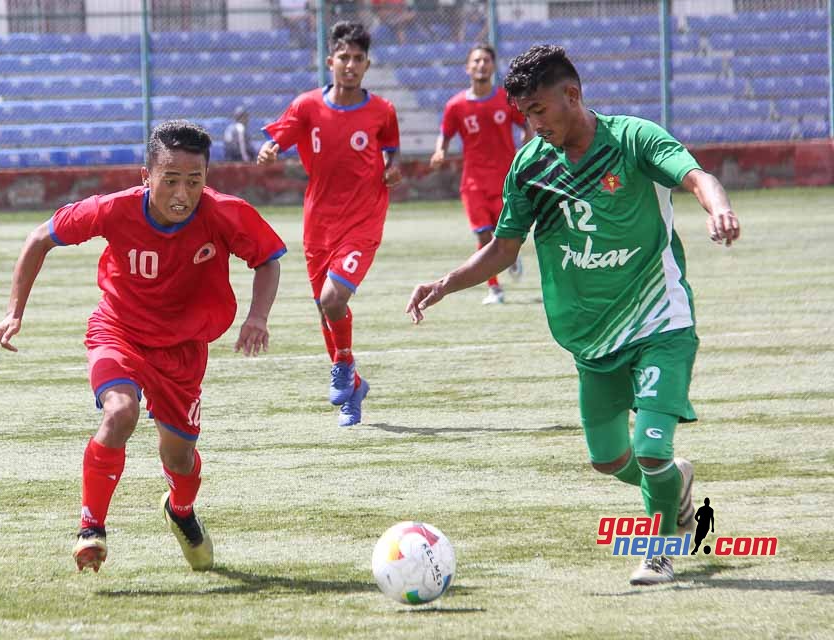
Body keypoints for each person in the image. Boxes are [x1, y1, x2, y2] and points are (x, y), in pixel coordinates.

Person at [406, 45, 741, 585]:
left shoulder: (634, 139)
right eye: (525, 115)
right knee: (609, 460)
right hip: (591, 337)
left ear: (572, 95)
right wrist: (447, 283)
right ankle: (673, 484)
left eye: (539, 110)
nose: (533, 124)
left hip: (660, 320)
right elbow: (503, 248)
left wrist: (719, 207)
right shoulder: (532, 166)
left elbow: (696, 176)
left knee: (652, 447)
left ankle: (659, 549)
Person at [0, 120, 286, 574]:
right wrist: (14, 311)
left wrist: (257, 317)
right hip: (118, 332)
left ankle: (180, 510)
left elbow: (266, 259)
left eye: (194, 180)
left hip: (183, 350)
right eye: (170, 180)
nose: (182, 193)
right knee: (119, 411)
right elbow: (40, 239)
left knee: (179, 457)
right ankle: (91, 528)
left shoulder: (226, 213)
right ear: (145, 176)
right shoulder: (113, 209)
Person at [257, 21, 401, 427]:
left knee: (333, 298)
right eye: (344, 58)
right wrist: (270, 149)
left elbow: (392, 154)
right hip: (318, 224)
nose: (350, 65)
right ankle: (352, 389)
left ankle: (342, 365)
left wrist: (393, 170)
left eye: (358, 59)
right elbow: (280, 136)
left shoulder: (382, 111)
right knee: (325, 308)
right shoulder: (307, 106)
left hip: (363, 221)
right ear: (330, 61)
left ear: (367, 64)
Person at [430, 44, 531, 305]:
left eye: (486, 60)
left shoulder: (506, 99)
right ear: (467, 68)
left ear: (493, 66)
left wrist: (528, 144)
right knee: (484, 237)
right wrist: (439, 150)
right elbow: (446, 132)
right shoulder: (456, 105)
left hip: (505, 182)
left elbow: (527, 123)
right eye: (476, 61)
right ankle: (495, 289)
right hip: (473, 184)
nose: (481, 65)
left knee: (505, 236)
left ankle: (509, 253)